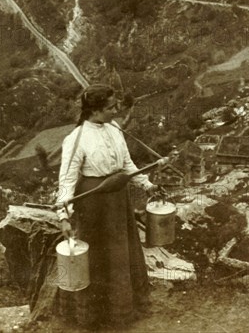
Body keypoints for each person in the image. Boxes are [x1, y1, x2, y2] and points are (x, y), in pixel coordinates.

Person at [55, 84, 157, 329]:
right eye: (112, 107)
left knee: (122, 255)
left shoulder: (114, 127)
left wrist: (146, 183)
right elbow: (66, 179)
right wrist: (64, 216)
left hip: (118, 200)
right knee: (99, 258)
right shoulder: (76, 139)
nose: (117, 110)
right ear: (96, 111)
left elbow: (126, 163)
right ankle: (96, 317)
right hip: (95, 205)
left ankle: (124, 310)